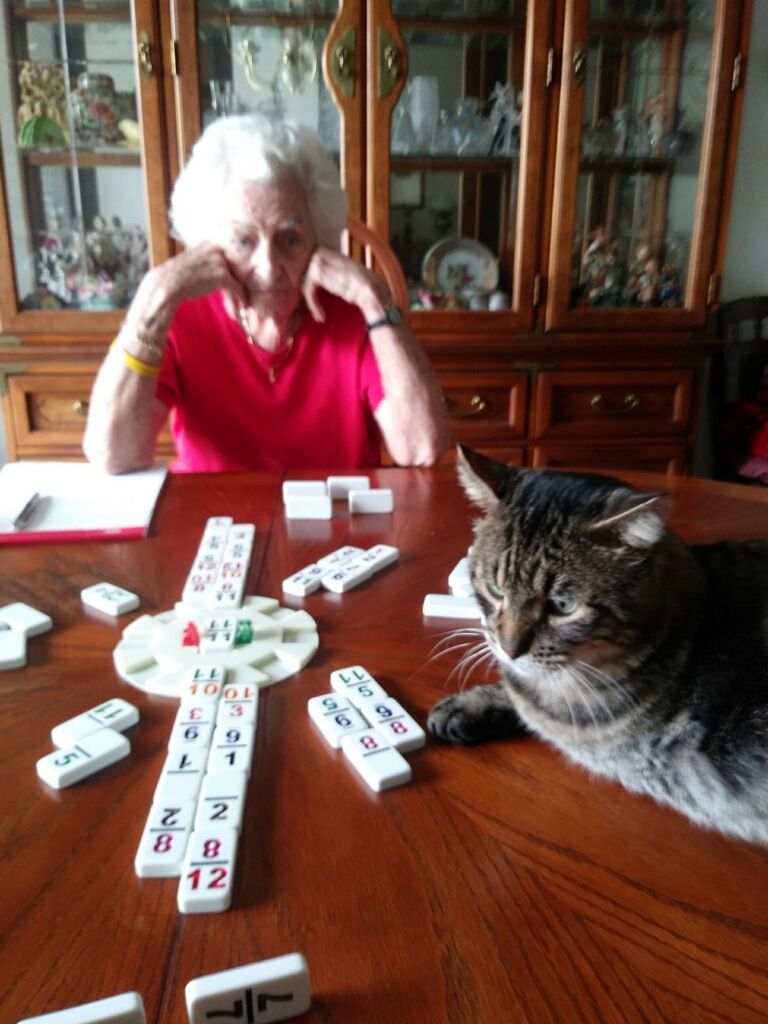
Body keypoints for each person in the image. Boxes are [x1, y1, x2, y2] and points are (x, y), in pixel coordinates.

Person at [83, 114, 451, 473]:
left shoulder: (357, 316)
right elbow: (113, 455)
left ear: (318, 238)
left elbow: (421, 449)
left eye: (289, 239)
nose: (269, 267)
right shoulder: (179, 315)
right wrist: (154, 298)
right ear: (209, 244)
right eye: (243, 240)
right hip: (209, 523)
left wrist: (376, 301)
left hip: (338, 525)